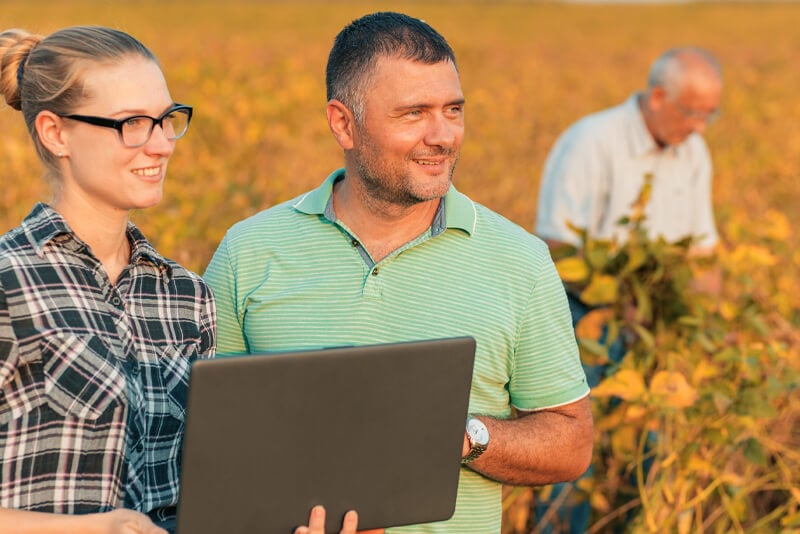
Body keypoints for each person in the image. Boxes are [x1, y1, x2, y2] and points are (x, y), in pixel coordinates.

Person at [204, 11, 593, 534]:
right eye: (413, 114)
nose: (443, 136)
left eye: (452, 110)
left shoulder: (518, 259)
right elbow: (207, 437)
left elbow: (570, 442)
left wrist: (463, 437)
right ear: (343, 123)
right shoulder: (248, 250)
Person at [0, 26, 362, 534]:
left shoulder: (188, 297)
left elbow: (209, 495)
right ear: (55, 133)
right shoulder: (9, 283)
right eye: (132, 124)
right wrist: (95, 529)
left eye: (167, 120)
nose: (162, 145)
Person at [533, 47, 723, 533]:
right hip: (583, 319)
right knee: (572, 458)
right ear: (658, 96)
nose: (700, 126)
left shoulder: (693, 151)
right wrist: (622, 305)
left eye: (709, 114)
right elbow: (556, 248)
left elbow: (701, 251)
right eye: (693, 113)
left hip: (652, 326)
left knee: (650, 450)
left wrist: (706, 321)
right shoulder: (591, 142)